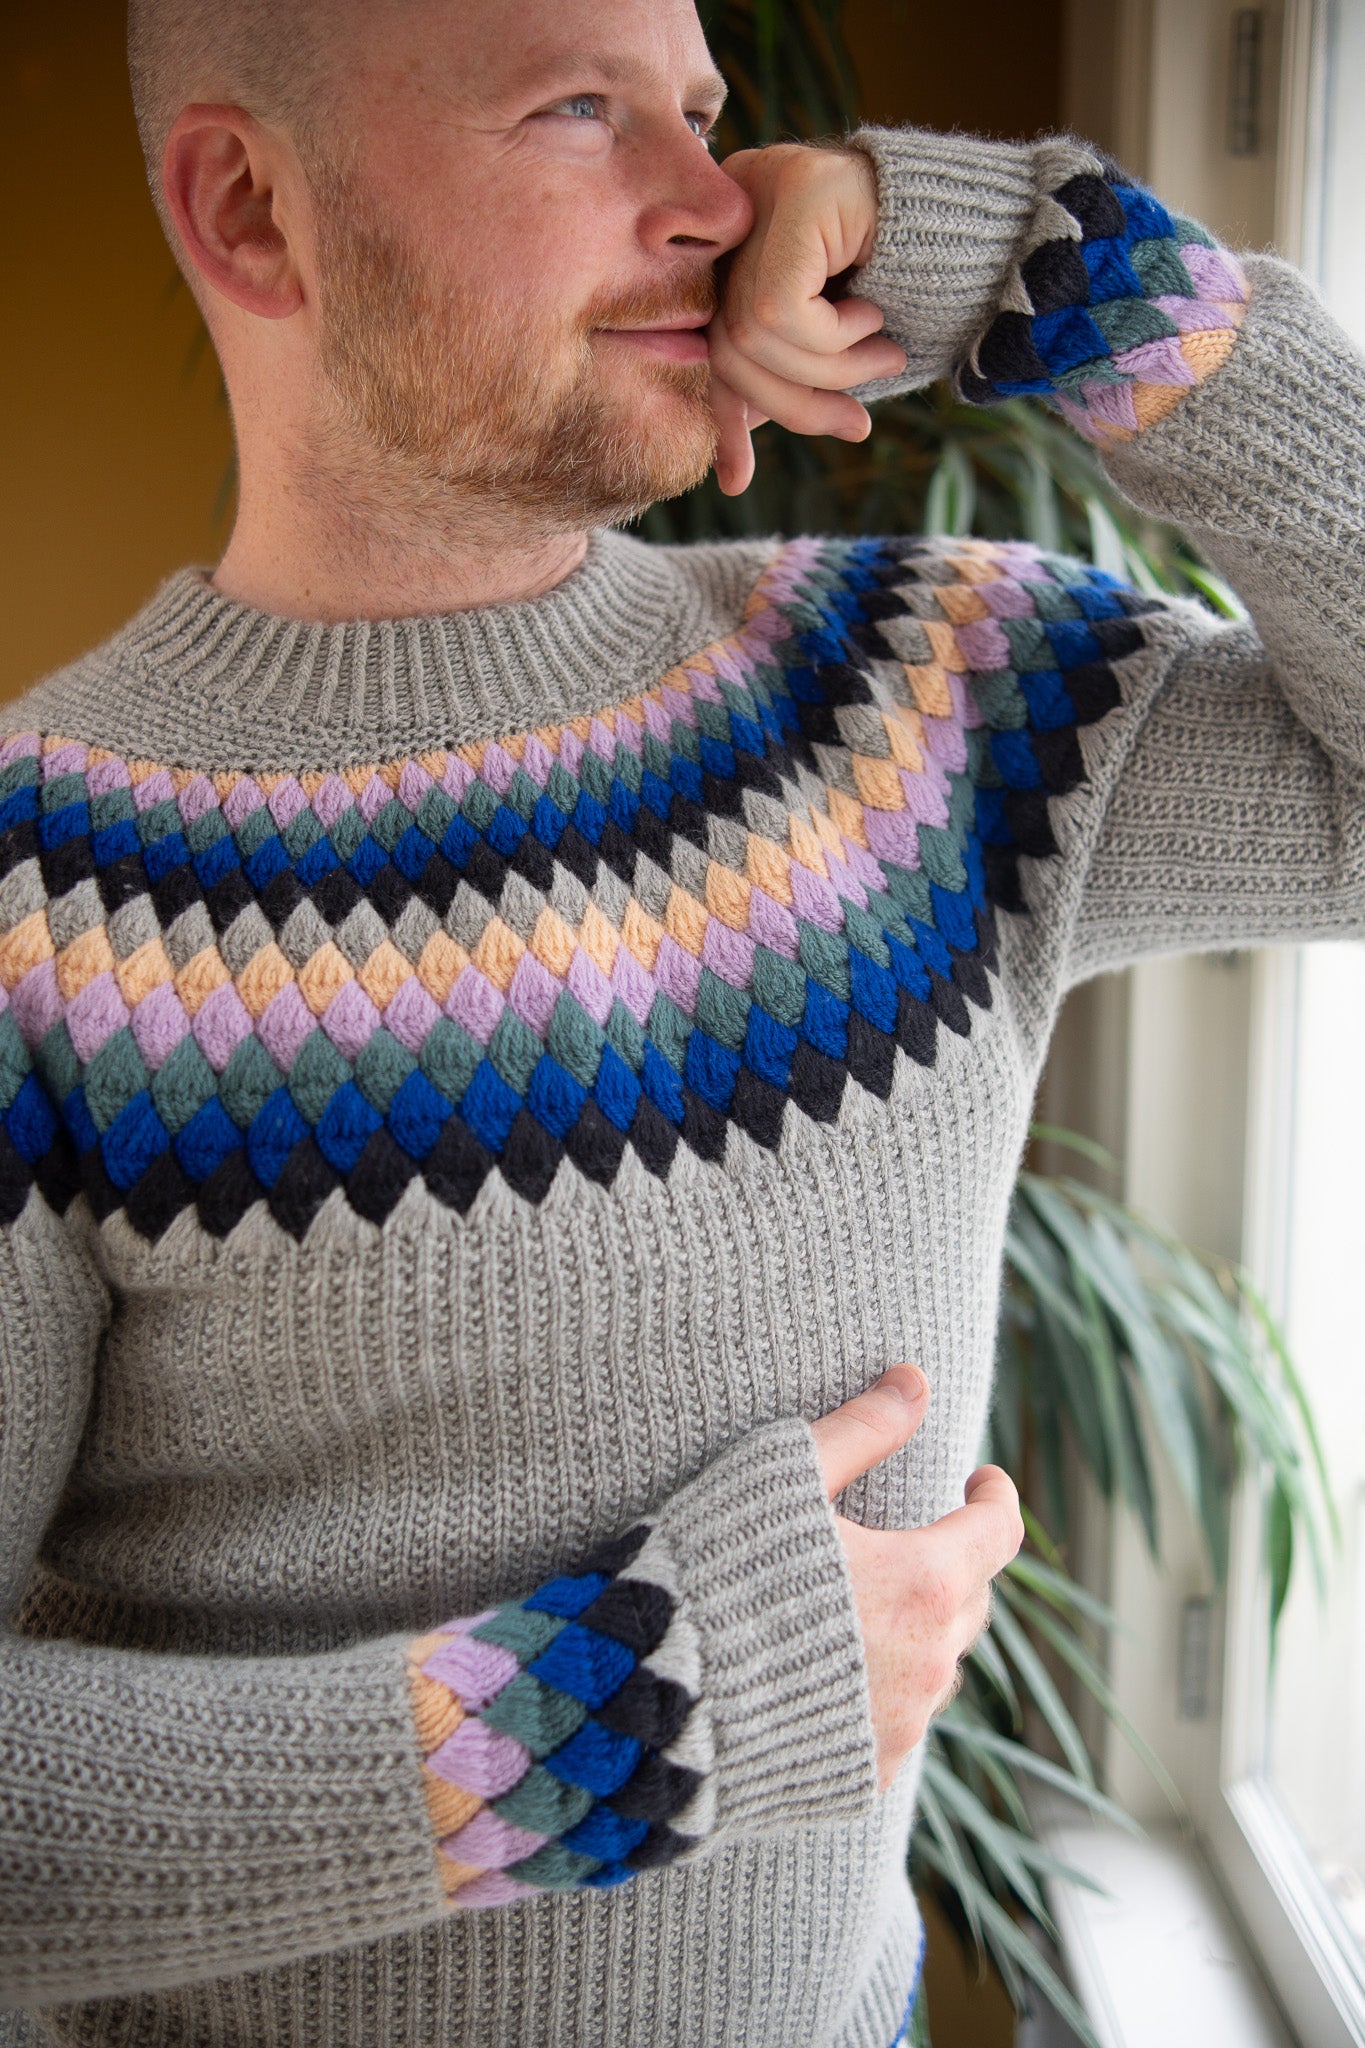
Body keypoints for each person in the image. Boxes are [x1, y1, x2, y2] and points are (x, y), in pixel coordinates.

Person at [0, 0, 1361, 2041]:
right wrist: (608, 1724)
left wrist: (1028, 265)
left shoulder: (927, 700)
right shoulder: (41, 905)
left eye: (703, 111)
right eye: (578, 111)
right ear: (253, 210)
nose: (716, 199)